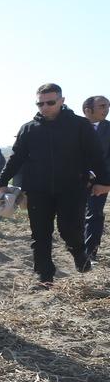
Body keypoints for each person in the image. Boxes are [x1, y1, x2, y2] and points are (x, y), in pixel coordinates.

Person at [0, 84, 110, 285]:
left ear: (62, 101)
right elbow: (16, 158)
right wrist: (2, 182)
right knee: (40, 234)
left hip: (72, 189)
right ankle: (44, 277)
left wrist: (103, 181)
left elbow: (96, 156)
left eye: (50, 102)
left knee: (69, 230)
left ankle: (79, 254)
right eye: (40, 103)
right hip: (38, 190)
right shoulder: (29, 129)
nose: (45, 107)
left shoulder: (79, 125)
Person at [83, 96, 110, 261]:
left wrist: (107, 183)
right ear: (88, 110)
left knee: (94, 214)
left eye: (107, 106)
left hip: (100, 182)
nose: (106, 109)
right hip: (73, 180)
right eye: (101, 106)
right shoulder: (74, 127)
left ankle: (90, 253)